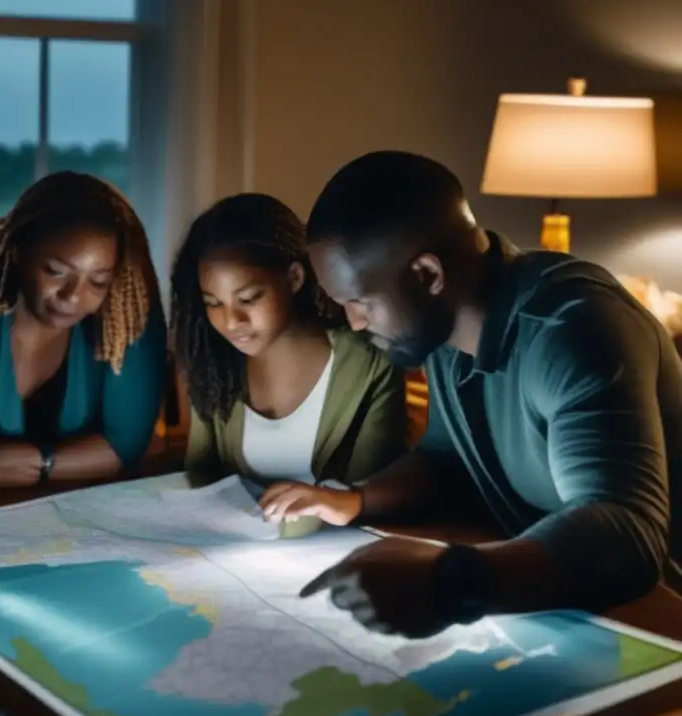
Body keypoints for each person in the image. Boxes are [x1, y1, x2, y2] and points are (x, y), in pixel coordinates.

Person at [262, 150, 682, 638]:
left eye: (360, 302)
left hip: (662, 622)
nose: (355, 322)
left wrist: (449, 582)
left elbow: (626, 532)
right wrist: (353, 499)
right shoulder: (443, 328)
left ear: (428, 276)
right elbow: (449, 460)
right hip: (576, 612)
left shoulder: (575, 329)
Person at [0, 171, 166, 491]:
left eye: (98, 281)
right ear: (18, 250)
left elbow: (125, 446)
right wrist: (75, 459)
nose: (73, 296)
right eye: (55, 271)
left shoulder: (124, 312)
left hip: (68, 511)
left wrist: (40, 463)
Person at [171, 193, 407, 536]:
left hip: (338, 557)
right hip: (230, 562)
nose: (232, 321)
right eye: (213, 303)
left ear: (295, 278)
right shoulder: (214, 365)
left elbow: (373, 491)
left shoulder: (371, 363)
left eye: (249, 298)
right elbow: (200, 478)